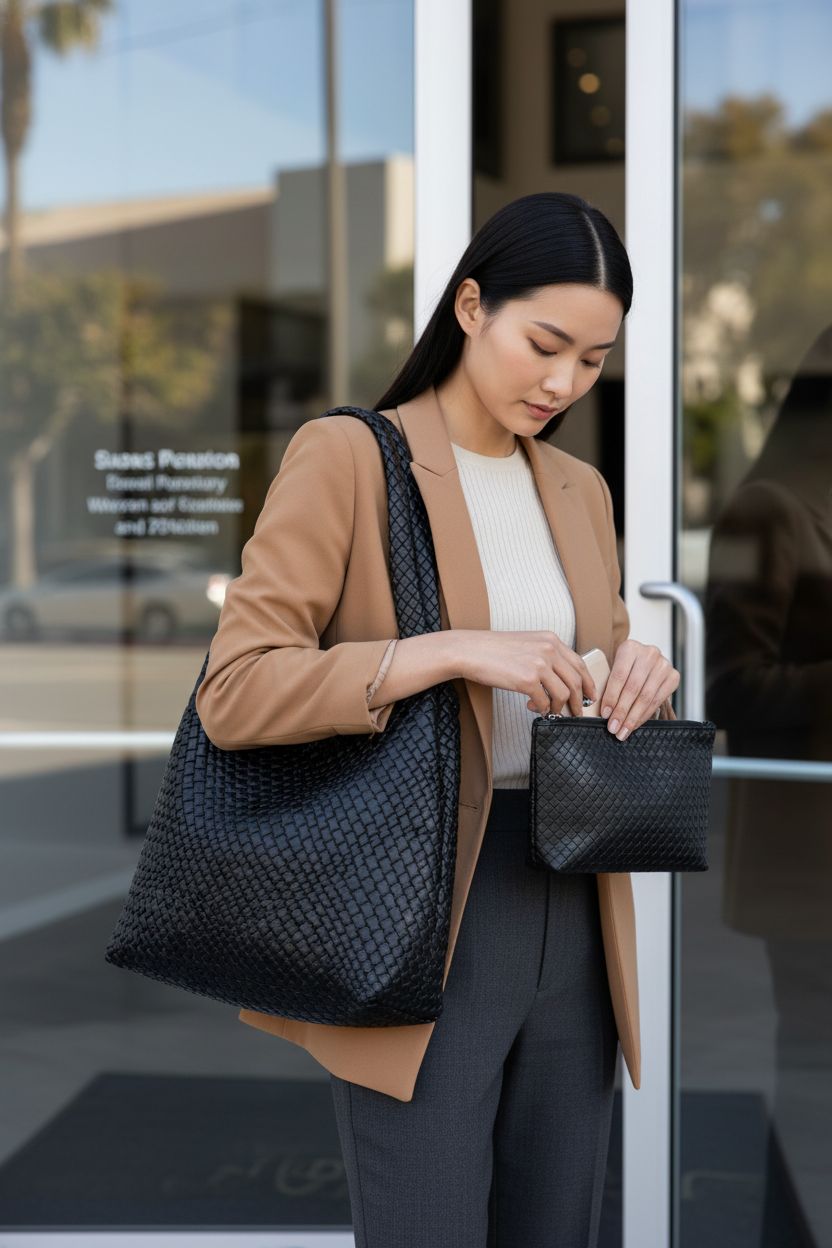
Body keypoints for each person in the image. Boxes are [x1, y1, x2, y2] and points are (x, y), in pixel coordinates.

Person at [195, 191, 680, 1248]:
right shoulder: (349, 458)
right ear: (470, 307)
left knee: (556, 1226)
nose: (564, 383)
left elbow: (590, 665)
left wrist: (641, 675)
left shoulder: (581, 489)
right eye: (544, 345)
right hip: (421, 902)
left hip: (575, 892)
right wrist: (450, 650)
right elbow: (236, 689)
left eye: (593, 361)